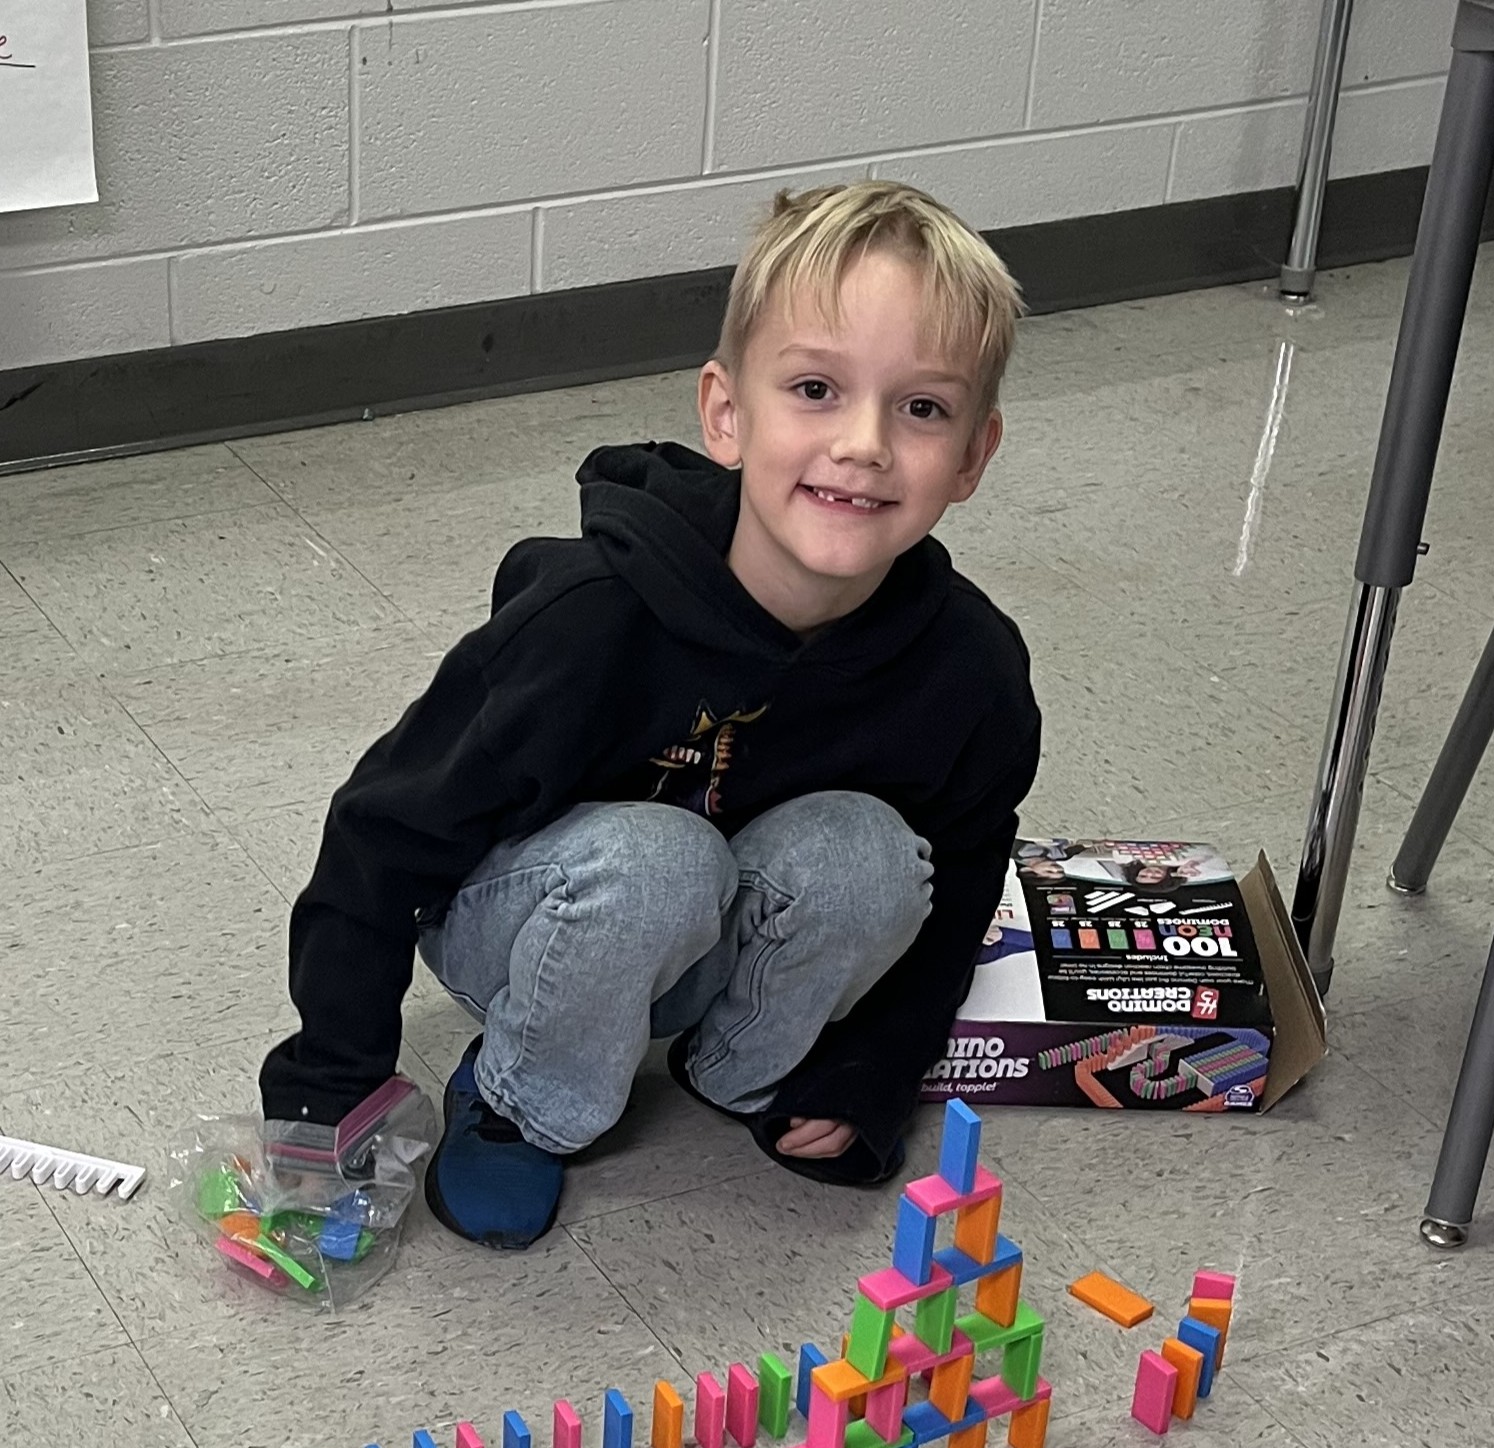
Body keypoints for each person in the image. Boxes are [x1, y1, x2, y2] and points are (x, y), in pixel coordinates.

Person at [258, 181, 1042, 1249]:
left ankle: (738, 1063)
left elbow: (959, 872)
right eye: (815, 386)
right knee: (658, 856)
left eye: (920, 408)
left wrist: (873, 1068)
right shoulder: (588, 620)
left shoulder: (971, 667)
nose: (863, 443)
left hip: (716, 930)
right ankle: (525, 1098)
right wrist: (326, 1087)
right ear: (726, 413)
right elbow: (382, 831)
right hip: (532, 916)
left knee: (869, 852)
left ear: (971, 457)